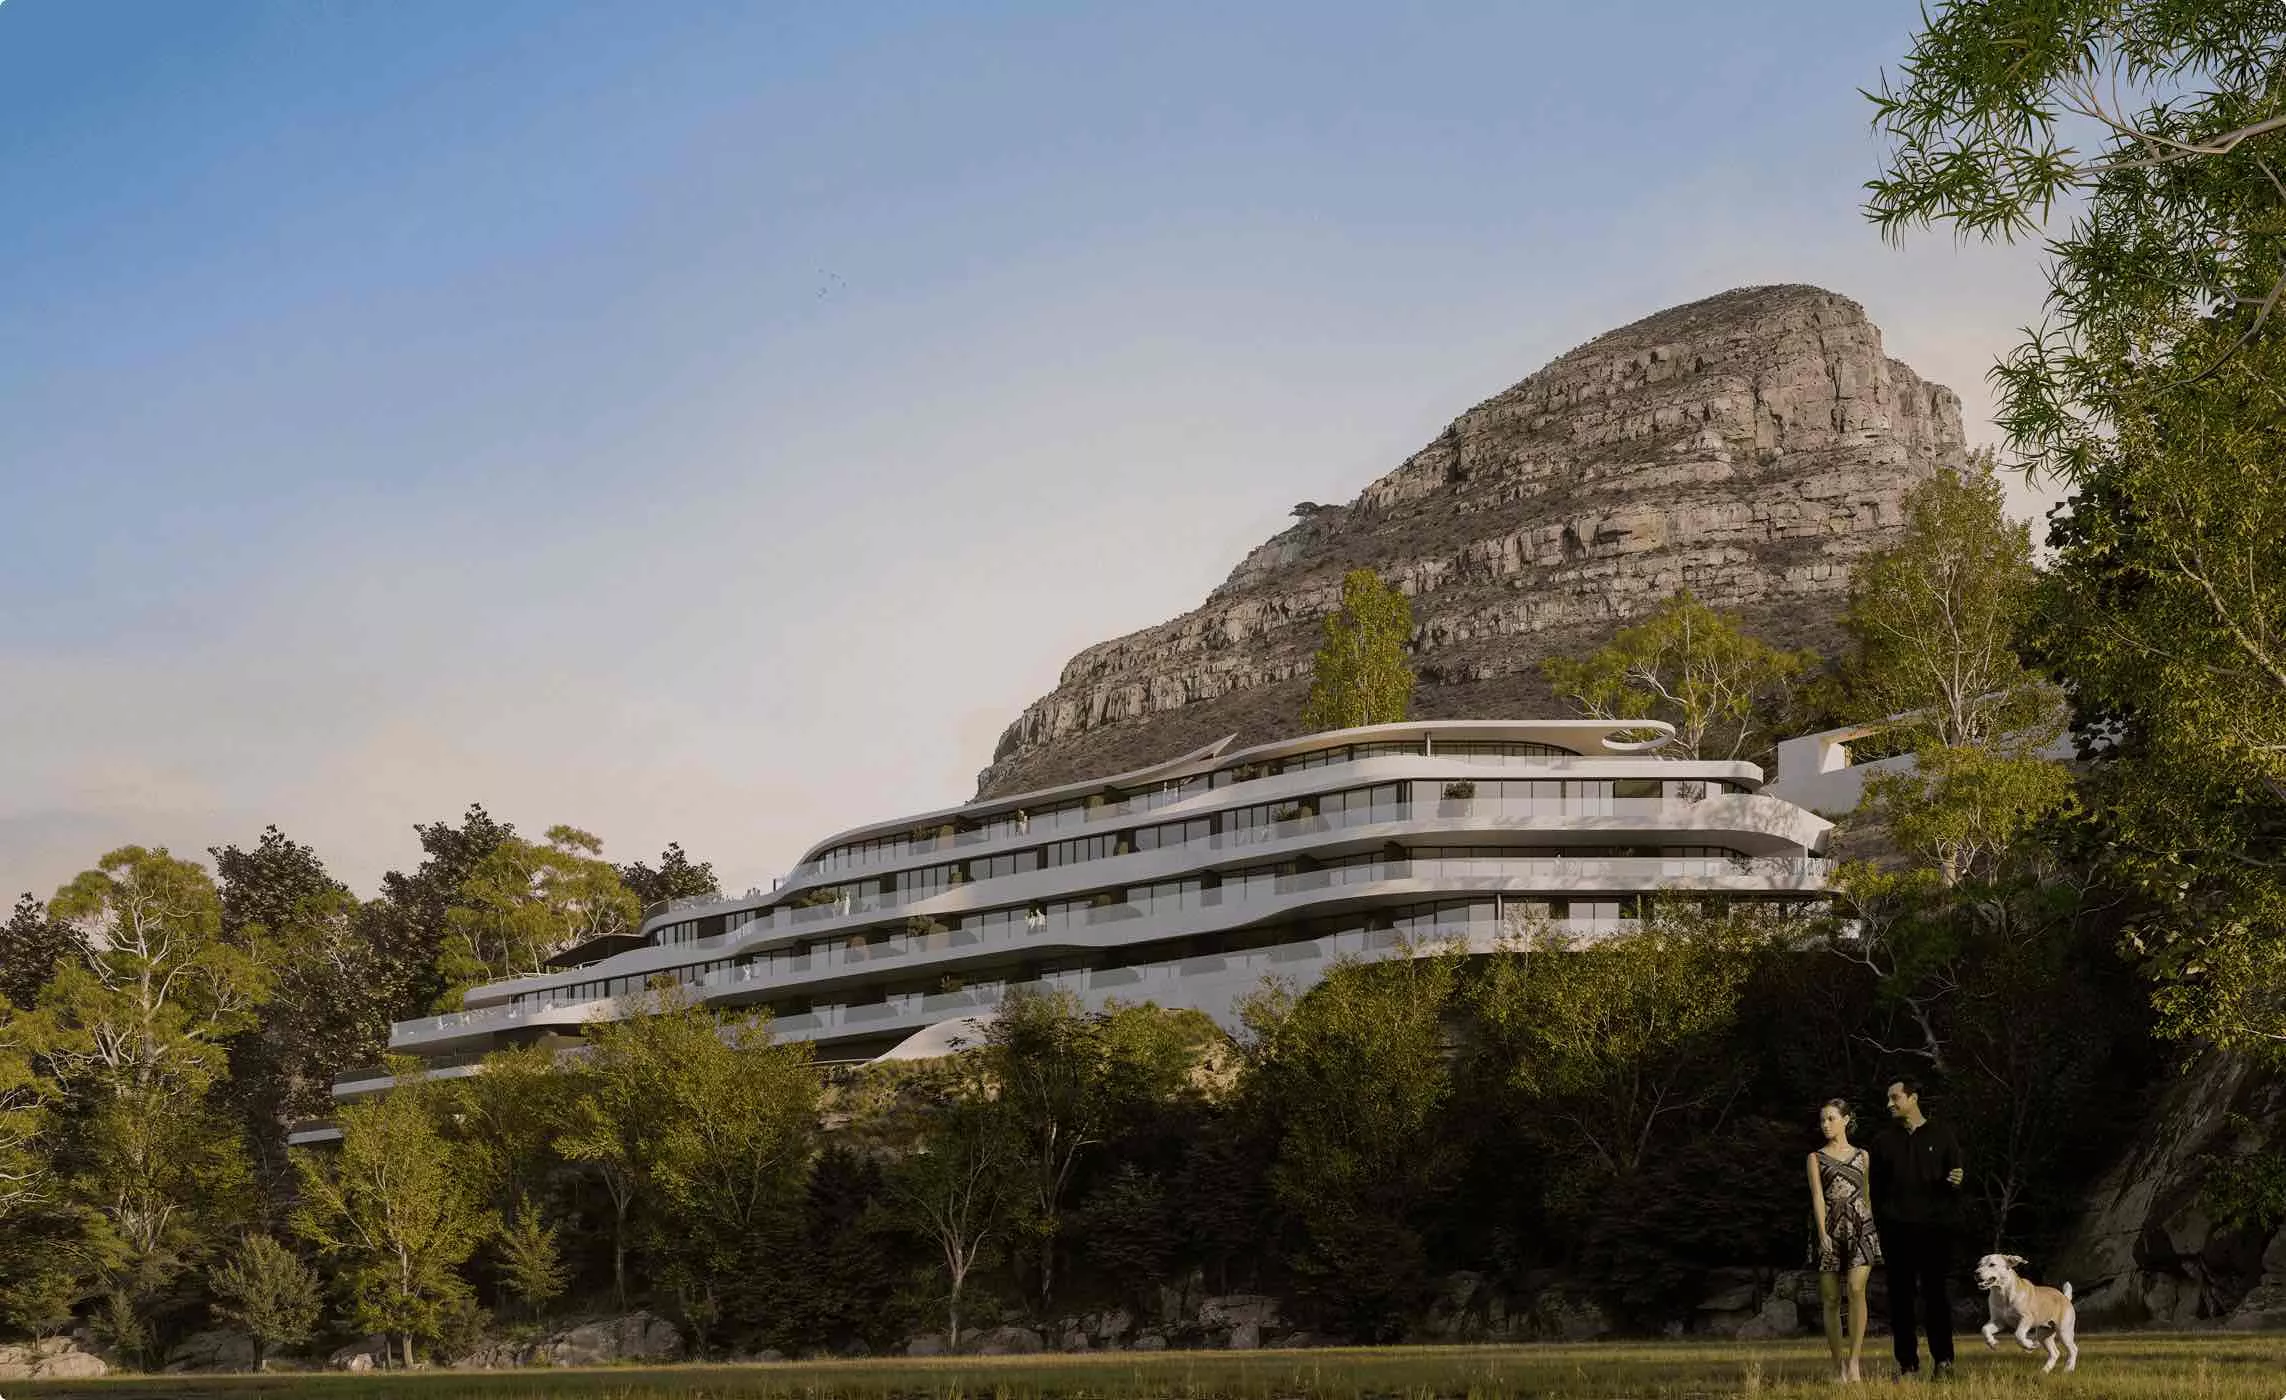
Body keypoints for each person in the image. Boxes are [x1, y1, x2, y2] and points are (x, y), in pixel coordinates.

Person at [1869, 1076, 1965, 1380]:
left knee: (1936, 1297)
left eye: (1894, 1097)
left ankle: (1944, 1362)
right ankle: (1907, 1365)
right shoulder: (1883, 1141)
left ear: (1913, 1098)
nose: (1889, 1104)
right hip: (1897, 1231)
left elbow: (1958, 1175)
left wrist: (1957, 1181)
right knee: (1900, 1300)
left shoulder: (1943, 1134)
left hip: (1935, 1229)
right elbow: (1875, 1188)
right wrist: (1884, 1222)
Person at [1808, 1099, 1883, 1383]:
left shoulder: (1863, 1155)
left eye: (1830, 1119)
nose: (1825, 1124)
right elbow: (1817, 1196)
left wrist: (1872, 1229)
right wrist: (1821, 1233)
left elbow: (1866, 1194)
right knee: (1829, 1299)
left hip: (1861, 1229)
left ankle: (1854, 1364)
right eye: (1822, 1120)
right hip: (1830, 1230)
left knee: (1855, 1289)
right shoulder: (1815, 1157)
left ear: (1846, 1119)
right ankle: (1837, 1364)